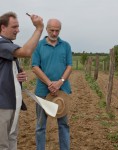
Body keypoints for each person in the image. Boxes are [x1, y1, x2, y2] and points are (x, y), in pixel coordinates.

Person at [0, 12, 43, 150]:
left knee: (12, 139)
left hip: (11, 103)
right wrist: (39, 28)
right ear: (2, 27)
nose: (18, 30)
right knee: (3, 144)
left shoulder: (8, 45)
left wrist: (18, 77)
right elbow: (26, 52)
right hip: (2, 105)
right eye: (14, 26)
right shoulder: (1, 44)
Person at [32, 18, 72, 150]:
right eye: (52, 30)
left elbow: (69, 66)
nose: (55, 33)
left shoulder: (66, 46)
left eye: (57, 30)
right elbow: (35, 67)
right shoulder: (38, 45)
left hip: (62, 91)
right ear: (47, 29)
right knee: (40, 126)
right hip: (43, 92)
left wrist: (60, 82)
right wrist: (50, 83)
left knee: (64, 125)